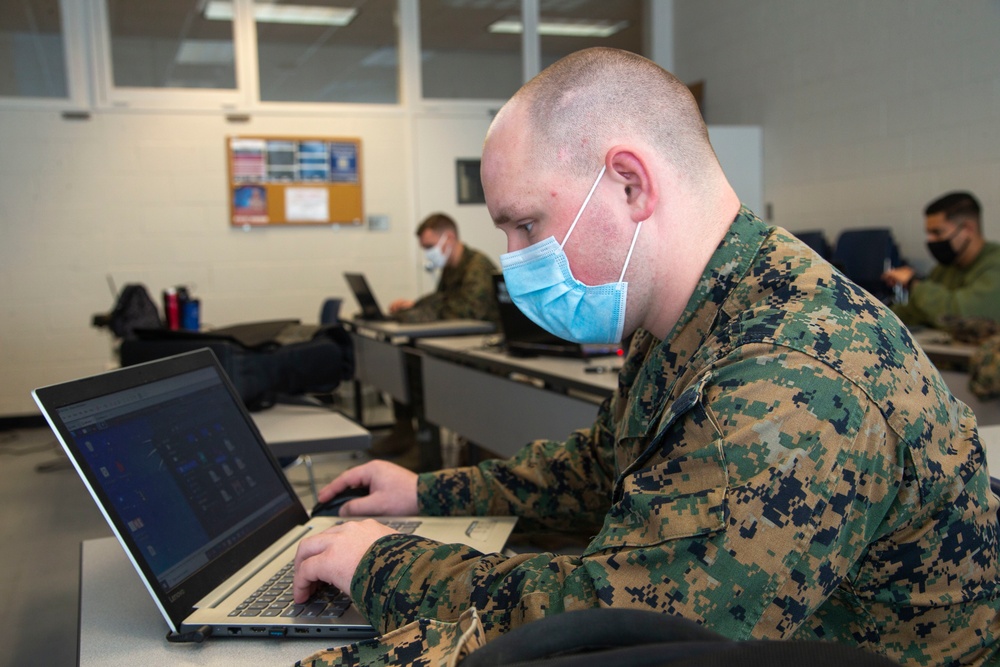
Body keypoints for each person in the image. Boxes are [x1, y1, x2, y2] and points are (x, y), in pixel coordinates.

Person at [293, 48, 999, 666]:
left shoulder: (786, 379)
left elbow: (616, 628)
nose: (512, 261)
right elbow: (603, 467)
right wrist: (425, 494)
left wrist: (382, 563)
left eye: (526, 223)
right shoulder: (701, 305)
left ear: (630, 184)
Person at [372, 213, 499, 459]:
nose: (428, 253)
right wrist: (414, 306)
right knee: (405, 358)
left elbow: (462, 312)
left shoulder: (477, 267)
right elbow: (442, 300)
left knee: (417, 365)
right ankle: (407, 434)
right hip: (460, 345)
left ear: (449, 237)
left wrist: (417, 314)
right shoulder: (452, 268)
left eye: (430, 246)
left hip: (483, 353)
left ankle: (426, 450)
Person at [884, 191, 1000, 328]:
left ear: (968, 228)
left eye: (937, 232)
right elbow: (916, 310)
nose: (930, 240)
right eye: (928, 233)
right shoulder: (944, 269)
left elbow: (964, 314)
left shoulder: (995, 265)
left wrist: (913, 283)